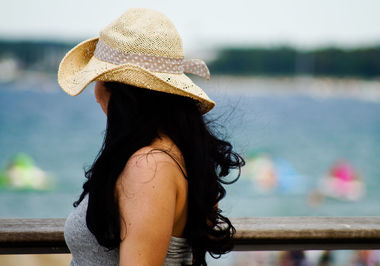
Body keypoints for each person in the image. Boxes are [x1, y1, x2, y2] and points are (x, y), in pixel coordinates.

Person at [58, 8, 244, 266]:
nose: (95, 90)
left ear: (119, 92)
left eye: (97, 79)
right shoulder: (176, 150)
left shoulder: (149, 166)